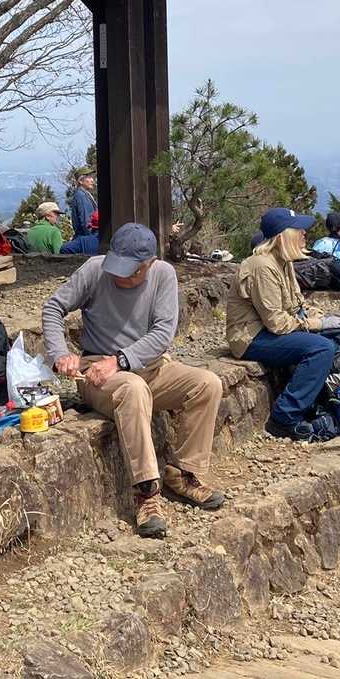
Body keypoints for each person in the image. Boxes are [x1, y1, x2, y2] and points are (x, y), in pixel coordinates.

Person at [43, 223, 224, 538]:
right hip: (96, 372)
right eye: (116, 266)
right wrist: (60, 353)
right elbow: (53, 307)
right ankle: (146, 493)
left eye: (130, 271)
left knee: (208, 383)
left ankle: (183, 473)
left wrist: (120, 361)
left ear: (149, 263)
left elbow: (163, 334)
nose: (120, 276)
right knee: (133, 388)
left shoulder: (164, 275)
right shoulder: (94, 269)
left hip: (148, 366)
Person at [226, 208, 340, 442]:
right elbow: (277, 322)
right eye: (298, 229)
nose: (304, 233)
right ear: (282, 235)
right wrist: (318, 323)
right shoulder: (262, 266)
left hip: (268, 331)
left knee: (339, 335)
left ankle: (324, 404)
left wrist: (325, 319)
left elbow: (297, 305)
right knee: (321, 348)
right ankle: (284, 418)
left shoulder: (283, 262)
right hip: (251, 337)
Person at [68, 170, 98, 239]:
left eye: (92, 177)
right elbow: (86, 222)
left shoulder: (84, 194)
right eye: (89, 177)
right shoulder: (81, 196)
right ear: (80, 181)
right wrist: (91, 240)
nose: (92, 180)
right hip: (86, 237)